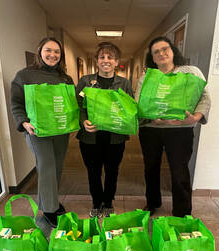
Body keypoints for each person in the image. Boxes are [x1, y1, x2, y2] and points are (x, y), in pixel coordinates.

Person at [135, 36, 211, 217]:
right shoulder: (147, 78)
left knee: (179, 171)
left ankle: (182, 211)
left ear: (173, 51)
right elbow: (139, 103)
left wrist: (194, 118)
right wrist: (151, 119)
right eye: (156, 52)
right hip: (151, 130)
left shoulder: (190, 72)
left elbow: (204, 97)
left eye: (164, 49)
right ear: (152, 58)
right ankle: (153, 202)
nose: (161, 54)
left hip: (180, 131)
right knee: (150, 168)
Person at [10, 37, 74, 227]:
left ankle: (51, 200)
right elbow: (16, 103)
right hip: (38, 132)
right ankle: (49, 210)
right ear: (40, 52)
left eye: (56, 52)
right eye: (48, 50)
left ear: (60, 56)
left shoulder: (65, 78)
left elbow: (69, 105)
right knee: (46, 166)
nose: (52, 55)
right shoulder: (25, 76)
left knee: (57, 167)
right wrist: (23, 122)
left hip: (60, 131)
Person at [76, 42, 133, 218]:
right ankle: (96, 202)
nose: (106, 60)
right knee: (93, 172)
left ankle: (107, 203)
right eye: (102, 57)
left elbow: (129, 107)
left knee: (112, 171)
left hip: (115, 137)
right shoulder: (86, 81)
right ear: (97, 61)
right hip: (90, 137)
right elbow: (77, 105)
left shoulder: (124, 83)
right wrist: (83, 121)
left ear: (116, 62)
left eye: (110, 57)